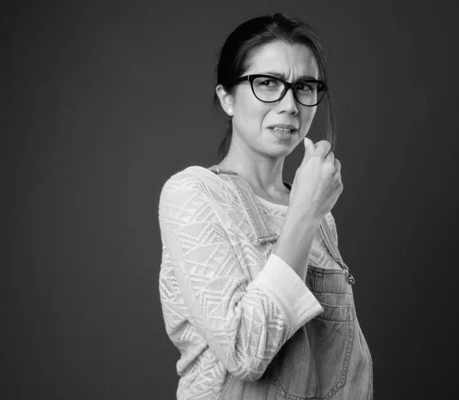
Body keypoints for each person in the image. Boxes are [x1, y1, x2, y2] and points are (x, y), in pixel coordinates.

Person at [158, 13, 373, 400]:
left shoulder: (319, 213)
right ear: (226, 97)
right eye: (268, 83)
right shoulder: (192, 194)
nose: (290, 104)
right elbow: (245, 353)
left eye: (305, 87)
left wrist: (308, 209)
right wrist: (304, 212)